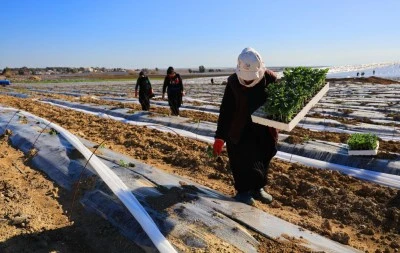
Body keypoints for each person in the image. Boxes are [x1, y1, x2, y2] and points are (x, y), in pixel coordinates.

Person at [213, 47, 279, 205]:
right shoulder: (233, 82)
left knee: (263, 156)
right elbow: (226, 110)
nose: (248, 81)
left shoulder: (270, 79)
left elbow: (281, 103)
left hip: (264, 127)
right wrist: (220, 137)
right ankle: (243, 191)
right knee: (241, 159)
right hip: (239, 127)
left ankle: (258, 188)